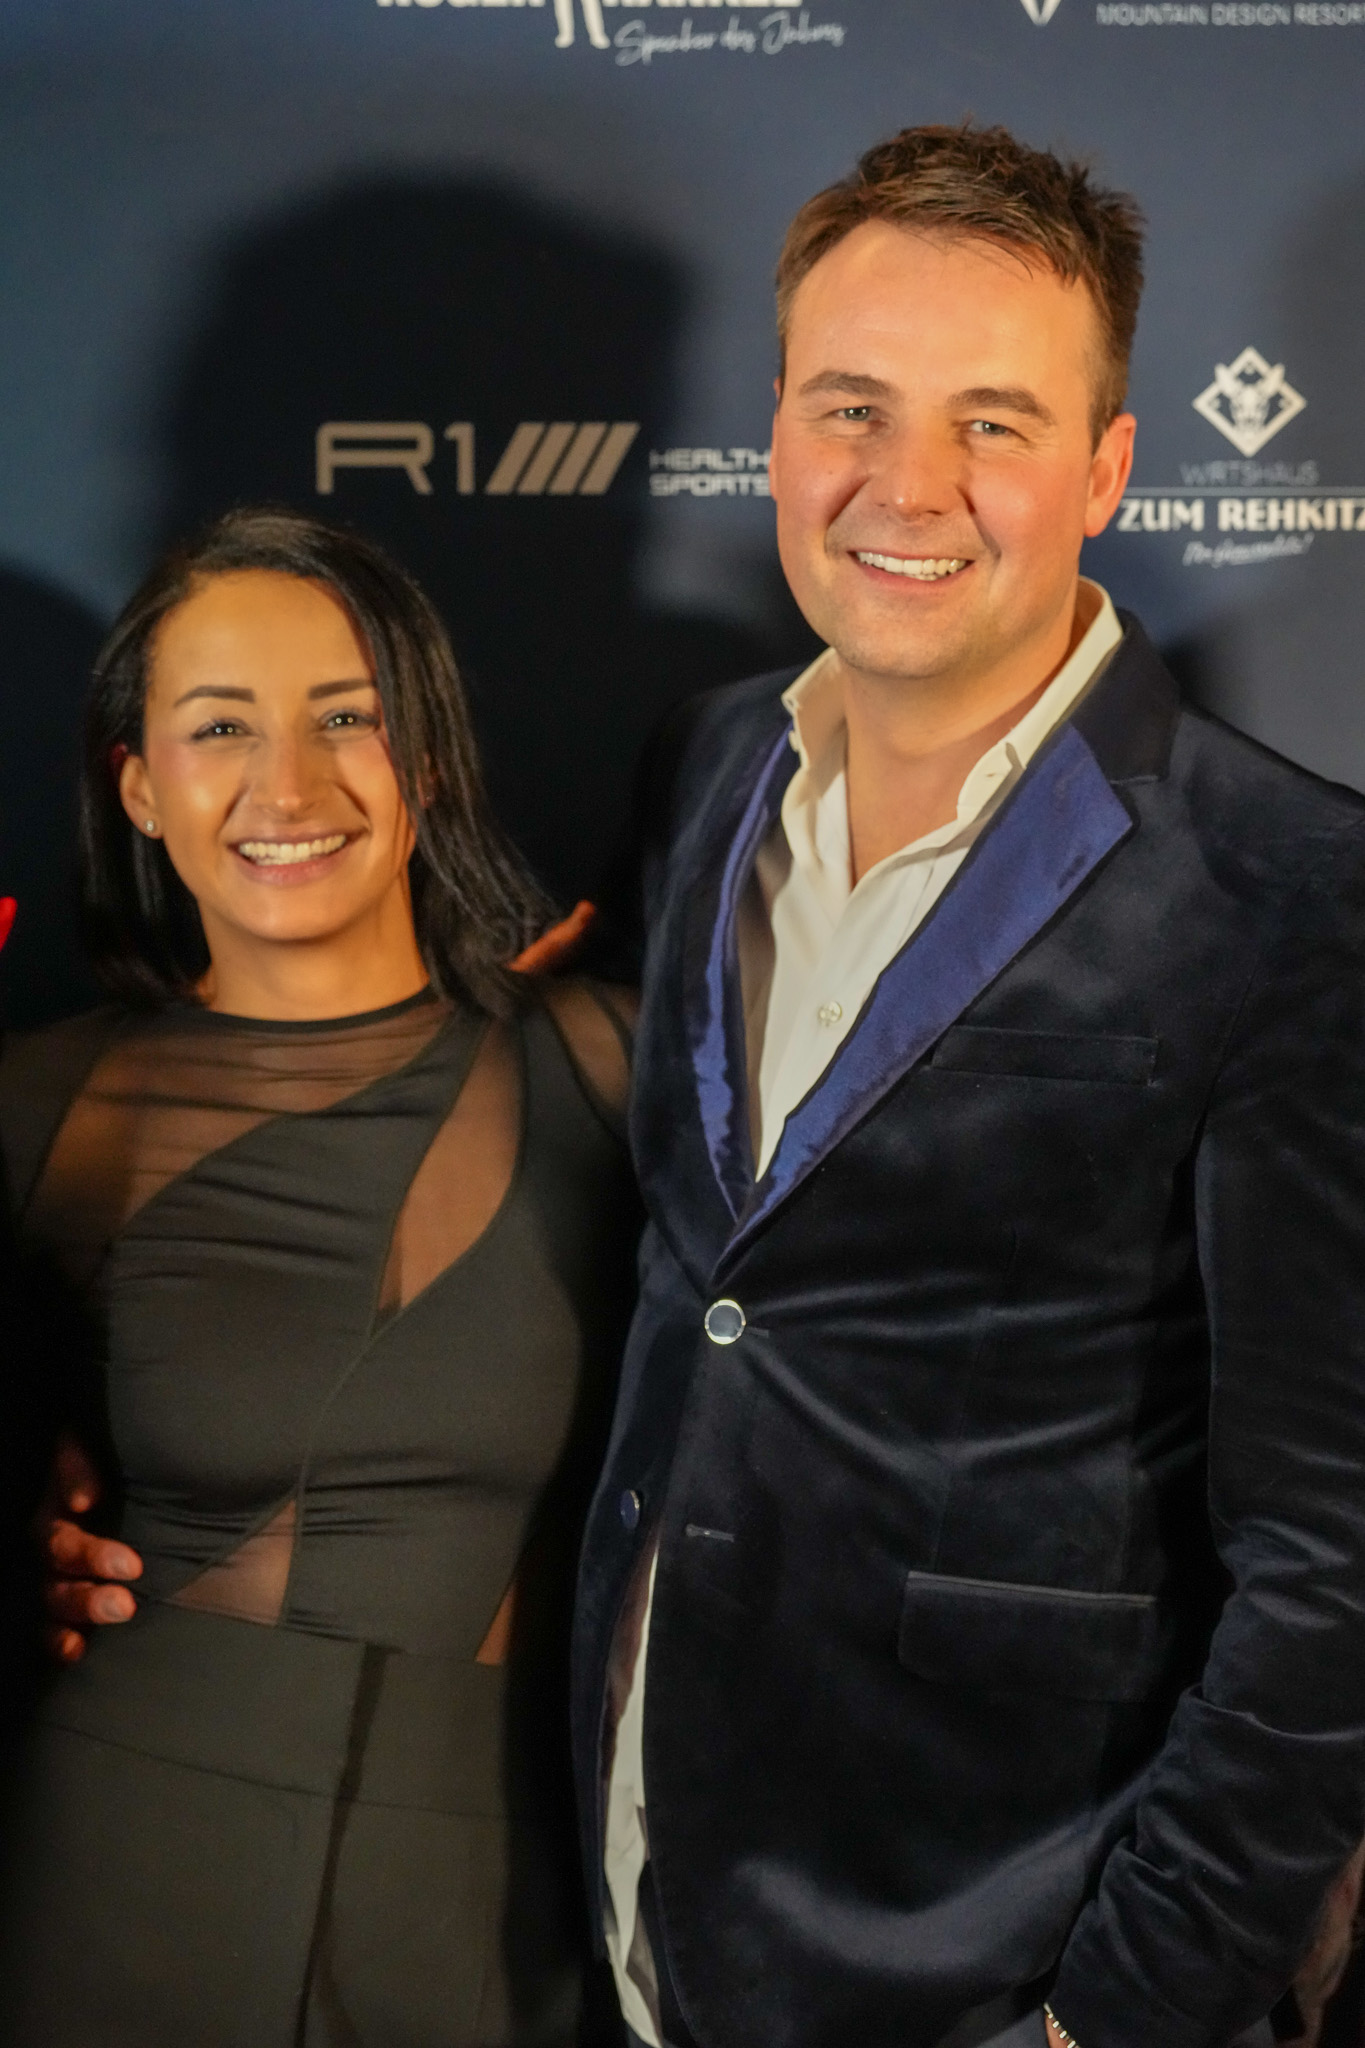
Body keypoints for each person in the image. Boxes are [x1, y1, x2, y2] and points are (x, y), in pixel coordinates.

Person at [566, 126, 1365, 2048]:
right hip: (628, 1922)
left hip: (993, 1965)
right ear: (775, 427)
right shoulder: (697, 773)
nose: (903, 485)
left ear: (1104, 467)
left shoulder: (1293, 890)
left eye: (989, 424)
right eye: (850, 406)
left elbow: (1335, 1568)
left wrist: (1120, 2015)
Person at [1, 506, 639, 2047]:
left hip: (500, 1915)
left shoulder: (622, 1072)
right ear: (138, 785)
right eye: (220, 727)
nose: (286, 787)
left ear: (428, 759)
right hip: (124, 1877)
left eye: (347, 718)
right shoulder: (40, 1110)